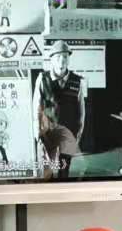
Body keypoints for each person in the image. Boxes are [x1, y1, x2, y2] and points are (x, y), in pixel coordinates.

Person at [32, 42, 86, 178]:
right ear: (51, 60)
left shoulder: (77, 81)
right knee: (47, 170)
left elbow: (81, 111)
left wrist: (78, 134)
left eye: (65, 57)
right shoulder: (42, 79)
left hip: (68, 133)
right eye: (58, 57)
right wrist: (37, 132)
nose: (62, 61)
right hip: (47, 132)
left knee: (64, 170)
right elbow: (36, 107)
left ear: (68, 59)